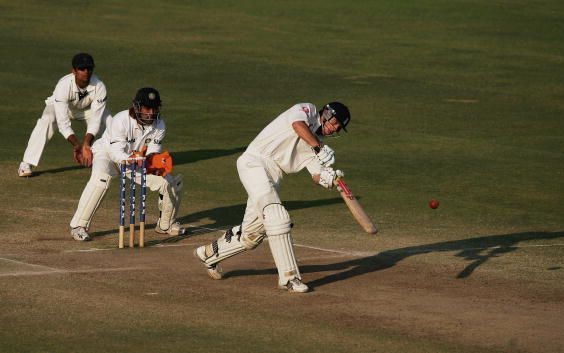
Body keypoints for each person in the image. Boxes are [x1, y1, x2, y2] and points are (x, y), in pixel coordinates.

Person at [194, 102, 351, 293]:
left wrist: (330, 178)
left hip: (273, 176)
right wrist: (318, 147)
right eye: (335, 123)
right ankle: (289, 279)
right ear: (326, 113)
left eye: (338, 128)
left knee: (252, 235)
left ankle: (208, 254)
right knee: (278, 216)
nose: (335, 128)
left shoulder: (317, 146)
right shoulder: (307, 111)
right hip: (255, 162)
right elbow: (297, 126)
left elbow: (316, 176)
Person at [69, 87, 185, 241]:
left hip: (134, 161)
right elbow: (115, 153)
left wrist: (155, 162)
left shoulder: (159, 125)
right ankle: (78, 226)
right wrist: (135, 159)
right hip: (107, 155)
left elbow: (152, 152)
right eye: (147, 108)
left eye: (154, 108)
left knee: (169, 182)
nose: (151, 112)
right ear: (137, 107)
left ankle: (165, 225)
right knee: (101, 179)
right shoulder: (121, 120)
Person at [18, 53, 111, 177]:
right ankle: (26, 164)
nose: (86, 72)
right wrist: (77, 146)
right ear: (74, 71)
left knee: (110, 121)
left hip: (88, 109)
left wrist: (86, 145)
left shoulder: (99, 86)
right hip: (63, 108)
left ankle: (111, 159)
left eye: (89, 68)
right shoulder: (63, 85)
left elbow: (95, 120)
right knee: (48, 119)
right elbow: (63, 123)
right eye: (82, 69)